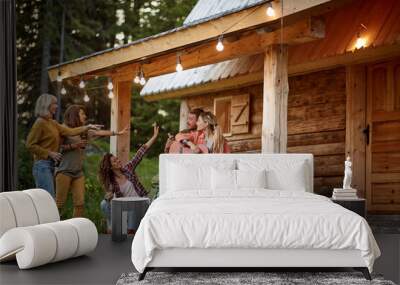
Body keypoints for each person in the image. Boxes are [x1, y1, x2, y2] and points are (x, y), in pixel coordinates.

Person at [55, 105, 129, 218]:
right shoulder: (64, 129)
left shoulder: (84, 131)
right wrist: (73, 145)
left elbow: (100, 133)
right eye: (82, 114)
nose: (85, 116)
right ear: (75, 115)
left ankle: (76, 228)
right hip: (64, 171)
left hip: (78, 172)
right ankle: (53, 226)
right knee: (59, 203)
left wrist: (117, 133)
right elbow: (57, 149)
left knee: (79, 204)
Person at [26, 94, 101, 197]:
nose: (56, 106)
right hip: (42, 165)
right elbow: (30, 144)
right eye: (54, 104)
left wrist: (87, 127)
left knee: (49, 198)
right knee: (48, 199)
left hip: (50, 165)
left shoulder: (52, 123)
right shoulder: (40, 123)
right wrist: (49, 153)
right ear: (46, 105)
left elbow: (70, 131)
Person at [98, 124, 159, 233]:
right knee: (104, 203)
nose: (118, 161)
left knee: (131, 209)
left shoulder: (128, 169)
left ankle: (129, 231)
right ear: (110, 167)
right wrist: (109, 197)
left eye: (117, 159)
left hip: (140, 202)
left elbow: (141, 152)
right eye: (115, 161)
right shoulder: (111, 183)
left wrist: (154, 136)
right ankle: (113, 227)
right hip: (126, 207)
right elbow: (113, 201)